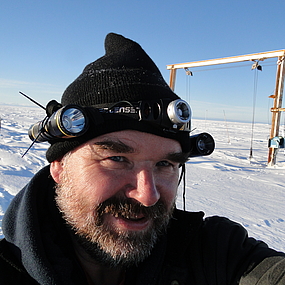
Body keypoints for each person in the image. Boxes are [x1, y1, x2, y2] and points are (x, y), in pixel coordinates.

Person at [0, 33, 284, 285]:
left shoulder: (212, 253)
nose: (147, 196)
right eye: (117, 158)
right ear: (60, 168)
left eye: (165, 164)